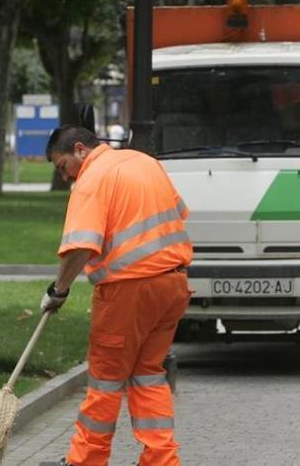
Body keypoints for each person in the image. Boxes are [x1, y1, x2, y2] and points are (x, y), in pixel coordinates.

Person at [39, 125, 192, 466]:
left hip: (129, 290)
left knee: (106, 382)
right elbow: (178, 214)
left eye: (63, 167)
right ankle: (162, 460)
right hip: (173, 284)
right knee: (148, 375)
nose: (65, 178)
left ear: (80, 150)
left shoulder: (92, 180)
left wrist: (58, 291)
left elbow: (80, 247)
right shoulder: (144, 162)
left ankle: (85, 461)